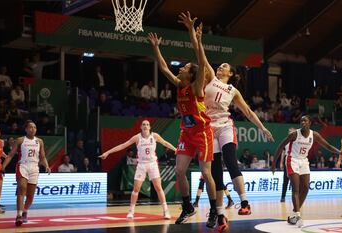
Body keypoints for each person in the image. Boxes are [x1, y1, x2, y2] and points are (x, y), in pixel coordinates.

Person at [178, 12, 273, 225]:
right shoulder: (210, 76)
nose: (221, 66)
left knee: (231, 162)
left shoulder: (233, 90)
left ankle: (245, 202)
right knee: (216, 172)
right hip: (208, 128)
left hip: (225, 126)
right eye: (220, 65)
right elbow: (199, 55)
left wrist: (262, 127)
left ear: (230, 73)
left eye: (225, 66)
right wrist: (195, 36)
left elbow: (248, 112)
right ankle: (219, 214)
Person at [148, 27, 219, 228]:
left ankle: (214, 210)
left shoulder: (196, 88)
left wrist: (193, 36)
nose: (181, 68)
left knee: (206, 173)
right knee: (179, 171)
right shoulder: (180, 84)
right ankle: (188, 206)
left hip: (203, 133)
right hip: (187, 133)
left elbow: (201, 62)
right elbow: (163, 68)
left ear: (192, 74)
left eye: (185, 67)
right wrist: (156, 48)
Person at [272, 115, 342, 227]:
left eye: (305, 121)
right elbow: (281, 146)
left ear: (310, 123)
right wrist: (273, 164)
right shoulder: (294, 134)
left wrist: (339, 152)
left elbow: (328, 146)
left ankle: (293, 214)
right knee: (296, 188)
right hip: (292, 160)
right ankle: (298, 215)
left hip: (304, 161)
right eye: (301, 121)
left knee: (305, 188)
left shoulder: (314, 135)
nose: (303, 122)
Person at [98, 120, 176, 219]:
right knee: (136, 189)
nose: (145, 126)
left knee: (158, 187)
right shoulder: (137, 137)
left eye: (147, 124)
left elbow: (165, 143)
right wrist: (108, 152)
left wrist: (175, 149)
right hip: (141, 165)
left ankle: (166, 211)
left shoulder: (155, 136)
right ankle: (131, 211)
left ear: (150, 127)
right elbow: (123, 145)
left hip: (152, 164)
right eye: (144, 124)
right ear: (140, 127)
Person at [1, 120, 51, 226]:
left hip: (34, 168)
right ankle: (18, 215)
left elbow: (42, 157)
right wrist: (3, 167)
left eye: (35, 127)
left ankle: (25, 211)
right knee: (22, 189)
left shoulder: (40, 141)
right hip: (23, 166)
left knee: (30, 196)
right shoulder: (20, 140)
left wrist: (46, 166)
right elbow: (10, 155)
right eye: (30, 127)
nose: (33, 129)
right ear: (26, 129)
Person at [280, 128, 296, 202]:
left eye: (291, 132)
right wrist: (281, 162)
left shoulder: (297, 141)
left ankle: (296, 197)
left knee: (295, 181)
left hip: (295, 160)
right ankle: (283, 197)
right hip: (287, 160)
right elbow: (283, 152)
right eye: (289, 132)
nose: (290, 133)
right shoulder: (286, 141)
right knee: (285, 180)